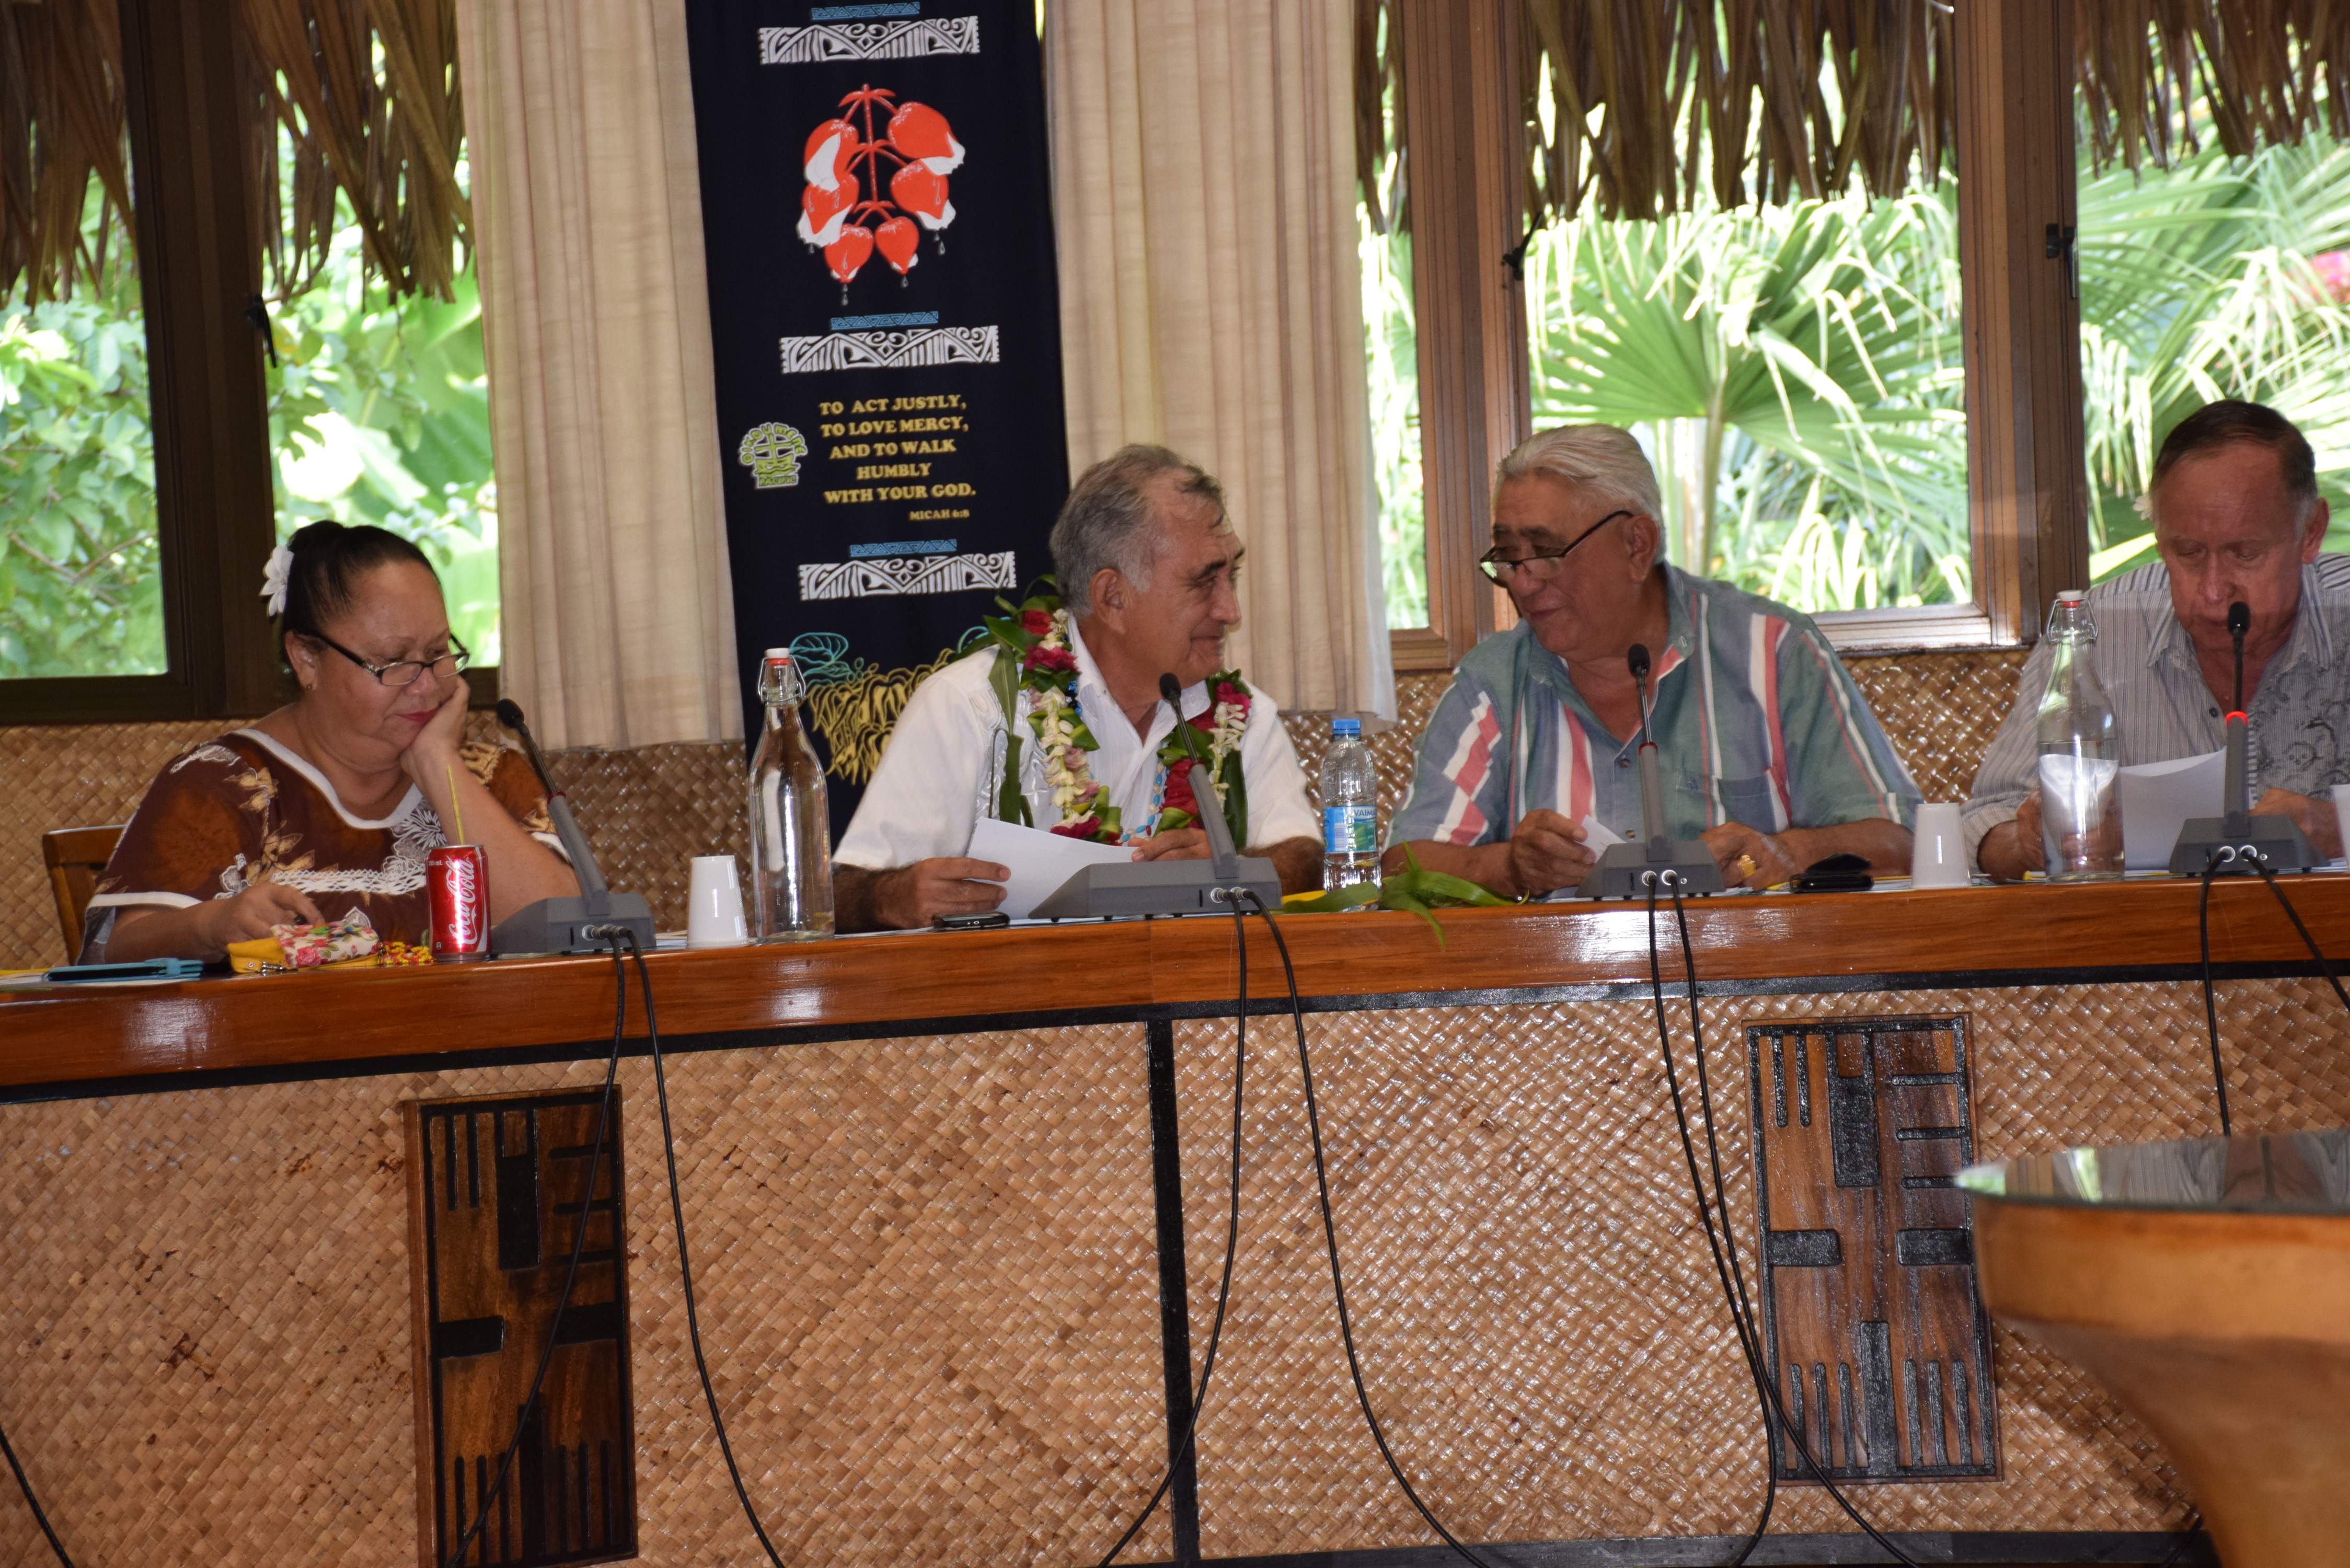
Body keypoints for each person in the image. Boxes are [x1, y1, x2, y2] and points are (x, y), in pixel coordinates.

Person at [1385, 424, 1919, 897]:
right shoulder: (1494, 681)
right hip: (1559, 1000)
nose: (1522, 581)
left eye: (1545, 551)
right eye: (1507, 557)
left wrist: (1785, 854)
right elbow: (1402, 867)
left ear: (1636, 544)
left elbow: (1900, 839)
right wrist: (1509, 866)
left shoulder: (1771, 651)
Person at [833, 444, 1322, 930]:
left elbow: (1306, 860)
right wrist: (891, 899)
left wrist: (1229, 867)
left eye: (1230, 576)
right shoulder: (971, 707)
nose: (1230, 610)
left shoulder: (1238, 713)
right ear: (1112, 597)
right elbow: (839, 896)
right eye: (1202, 582)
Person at [84, 522, 579, 961]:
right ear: (305, 658)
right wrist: (212, 925)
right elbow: (118, 947)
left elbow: (565, 926)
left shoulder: (490, 776)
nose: (427, 684)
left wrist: (437, 764)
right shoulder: (223, 784)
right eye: (393, 661)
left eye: (437, 652)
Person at [1966, 399, 2350, 880]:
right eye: (2187, 552)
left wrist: (2341, 828)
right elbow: (1982, 824)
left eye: (2245, 553)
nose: (2213, 590)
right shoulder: (2096, 632)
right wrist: (2031, 839)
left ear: (2311, 531)